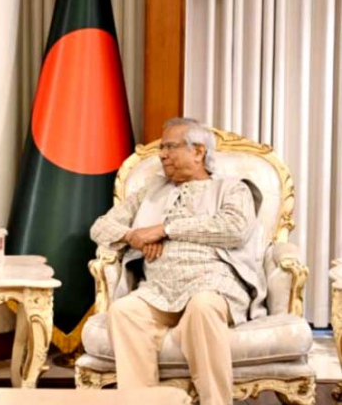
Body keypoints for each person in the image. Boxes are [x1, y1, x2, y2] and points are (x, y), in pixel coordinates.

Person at [90, 118, 266, 405]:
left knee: (203, 306)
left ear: (198, 151)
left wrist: (165, 229)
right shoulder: (150, 192)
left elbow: (233, 229)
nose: (162, 155)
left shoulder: (232, 188)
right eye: (161, 148)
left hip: (212, 284)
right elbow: (100, 227)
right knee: (124, 311)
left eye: (170, 147)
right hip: (158, 289)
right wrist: (134, 236)